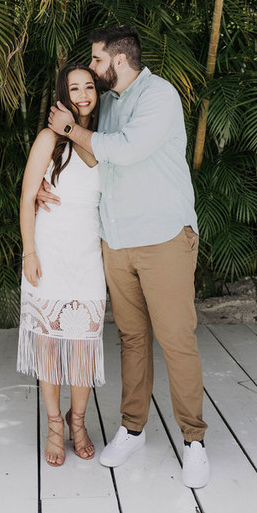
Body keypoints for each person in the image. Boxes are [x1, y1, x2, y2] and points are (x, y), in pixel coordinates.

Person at [44, 25, 210, 489]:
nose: (93, 71)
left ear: (118, 60)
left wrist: (71, 129)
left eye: (97, 61)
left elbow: (126, 150)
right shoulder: (110, 104)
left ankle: (194, 441)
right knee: (133, 340)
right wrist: (44, 184)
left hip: (163, 239)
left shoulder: (160, 96)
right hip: (115, 241)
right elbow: (90, 163)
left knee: (177, 339)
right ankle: (133, 428)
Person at [17, 64, 106, 467]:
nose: (83, 94)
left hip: (88, 256)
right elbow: (27, 196)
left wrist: (74, 128)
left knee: (85, 344)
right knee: (51, 345)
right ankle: (55, 426)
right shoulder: (47, 139)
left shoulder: (105, 141)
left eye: (89, 87)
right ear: (62, 94)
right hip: (50, 253)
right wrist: (29, 251)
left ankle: (78, 421)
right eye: (75, 88)